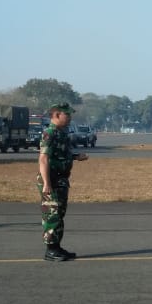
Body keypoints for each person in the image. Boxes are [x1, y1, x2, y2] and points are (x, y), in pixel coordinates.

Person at [38, 102, 89, 261]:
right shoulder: (49, 133)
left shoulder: (61, 133)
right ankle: (50, 250)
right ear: (57, 115)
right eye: (67, 115)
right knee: (52, 214)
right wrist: (46, 183)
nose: (69, 118)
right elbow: (44, 159)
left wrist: (75, 157)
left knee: (59, 214)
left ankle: (57, 247)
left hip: (61, 179)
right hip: (51, 179)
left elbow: (58, 155)